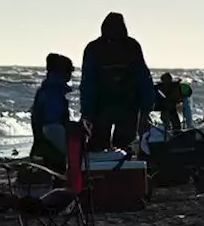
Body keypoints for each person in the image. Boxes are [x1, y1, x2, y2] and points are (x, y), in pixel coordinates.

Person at [80, 12, 155, 152]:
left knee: (98, 150)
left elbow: (88, 83)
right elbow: (144, 78)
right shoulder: (131, 46)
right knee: (125, 150)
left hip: (104, 107)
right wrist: (146, 107)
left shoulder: (94, 48)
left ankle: (102, 171)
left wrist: (86, 113)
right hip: (126, 105)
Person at [30, 53, 74, 171]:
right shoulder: (54, 90)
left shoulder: (45, 89)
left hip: (45, 132)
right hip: (52, 131)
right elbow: (53, 119)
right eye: (69, 71)